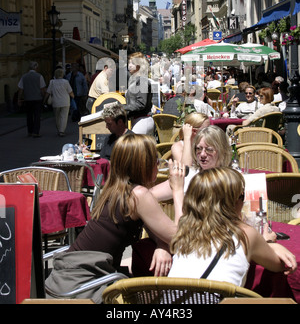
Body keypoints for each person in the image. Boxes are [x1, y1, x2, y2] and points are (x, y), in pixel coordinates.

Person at [45, 134, 184, 302]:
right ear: (142, 164)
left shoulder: (117, 190)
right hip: (83, 285)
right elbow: (180, 238)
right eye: (155, 158)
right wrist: (178, 190)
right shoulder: (138, 195)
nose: (158, 163)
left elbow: (157, 229)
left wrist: (162, 245)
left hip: (68, 276)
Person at [168, 167, 297, 286]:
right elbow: (279, 266)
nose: (244, 201)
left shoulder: (183, 230)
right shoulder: (245, 234)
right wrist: (269, 243)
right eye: (242, 196)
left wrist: (177, 190)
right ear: (230, 203)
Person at [151, 125, 233, 202]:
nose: (202, 154)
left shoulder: (231, 179)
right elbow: (148, 196)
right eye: (199, 149)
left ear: (222, 150)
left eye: (209, 150)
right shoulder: (189, 176)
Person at [123, 52, 154, 135]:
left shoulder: (142, 80)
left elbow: (141, 103)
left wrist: (122, 108)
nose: (129, 65)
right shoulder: (136, 80)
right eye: (129, 62)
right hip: (138, 120)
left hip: (142, 120)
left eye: (132, 63)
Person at [17, 61, 46, 137]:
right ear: (36, 67)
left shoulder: (24, 76)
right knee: (37, 116)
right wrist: (44, 97)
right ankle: (35, 132)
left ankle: (30, 131)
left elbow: (20, 89)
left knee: (29, 115)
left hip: (28, 99)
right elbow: (42, 88)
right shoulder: (39, 76)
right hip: (37, 99)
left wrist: (19, 99)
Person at [44, 68, 74, 136]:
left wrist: (44, 100)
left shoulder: (52, 82)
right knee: (64, 116)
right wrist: (73, 96)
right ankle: (62, 130)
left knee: (57, 117)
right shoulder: (66, 82)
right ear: (62, 74)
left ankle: (59, 129)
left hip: (56, 102)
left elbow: (48, 92)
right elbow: (70, 92)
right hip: (65, 101)